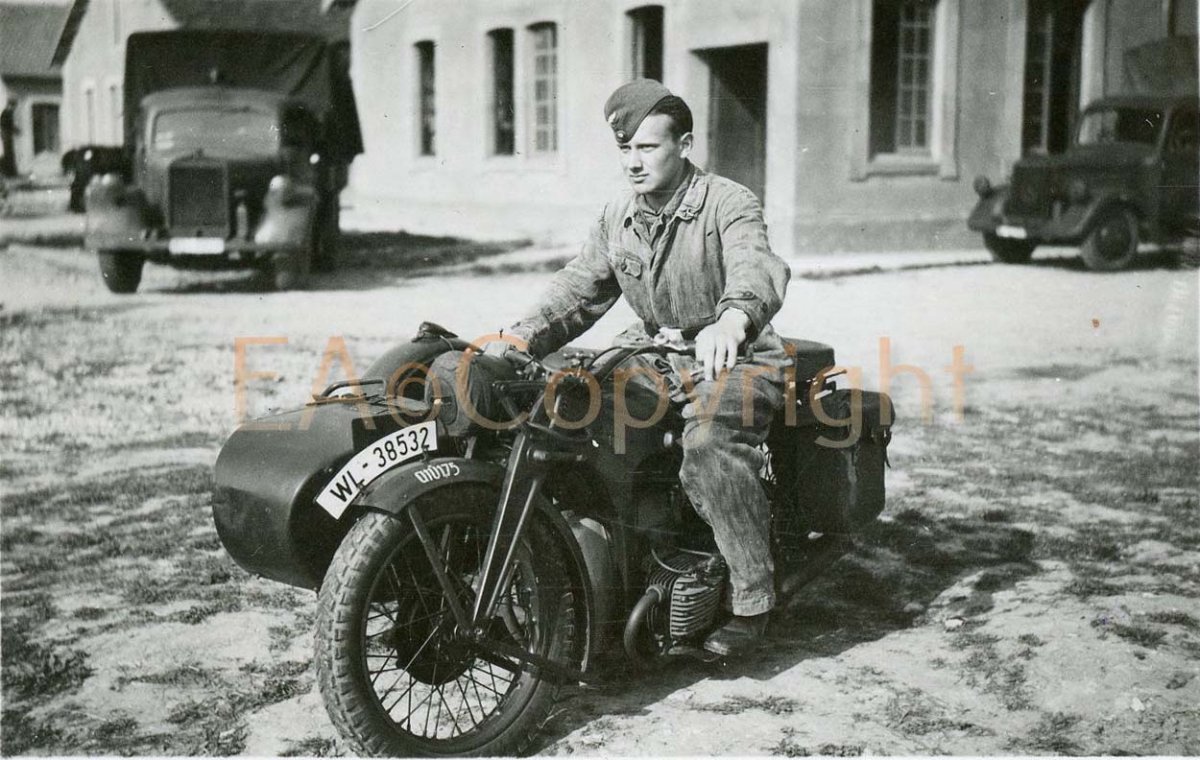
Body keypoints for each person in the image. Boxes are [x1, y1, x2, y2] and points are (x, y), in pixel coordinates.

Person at [498, 79, 792, 657]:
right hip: (653, 352)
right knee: (565, 412)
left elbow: (756, 268)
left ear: (684, 145)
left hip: (737, 355)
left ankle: (752, 600)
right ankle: (613, 566)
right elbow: (581, 286)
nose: (633, 162)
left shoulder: (727, 202)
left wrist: (733, 319)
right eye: (624, 149)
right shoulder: (619, 215)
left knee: (709, 446)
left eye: (648, 148)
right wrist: (520, 335)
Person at [1, 99, 18, 178]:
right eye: (13, 106)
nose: (14, 109)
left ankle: (11, 172)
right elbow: (5, 124)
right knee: (8, 153)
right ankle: (9, 173)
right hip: (6, 134)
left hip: (7, 134)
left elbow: (10, 125)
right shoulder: (6, 113)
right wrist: (13, 129)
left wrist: (15, 129)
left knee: (10, 153)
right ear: (9, 105)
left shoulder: (8, 113)